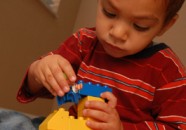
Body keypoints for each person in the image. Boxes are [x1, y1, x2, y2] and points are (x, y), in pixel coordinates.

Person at [17, 0, 186, 129]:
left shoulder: (167, 71)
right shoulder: (85, 42)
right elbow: (34, 87)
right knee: (12, 121)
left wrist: (121, 128)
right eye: (110, 13)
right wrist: (39, 71)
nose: (117, 33)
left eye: (140, 26)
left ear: (166, 25)